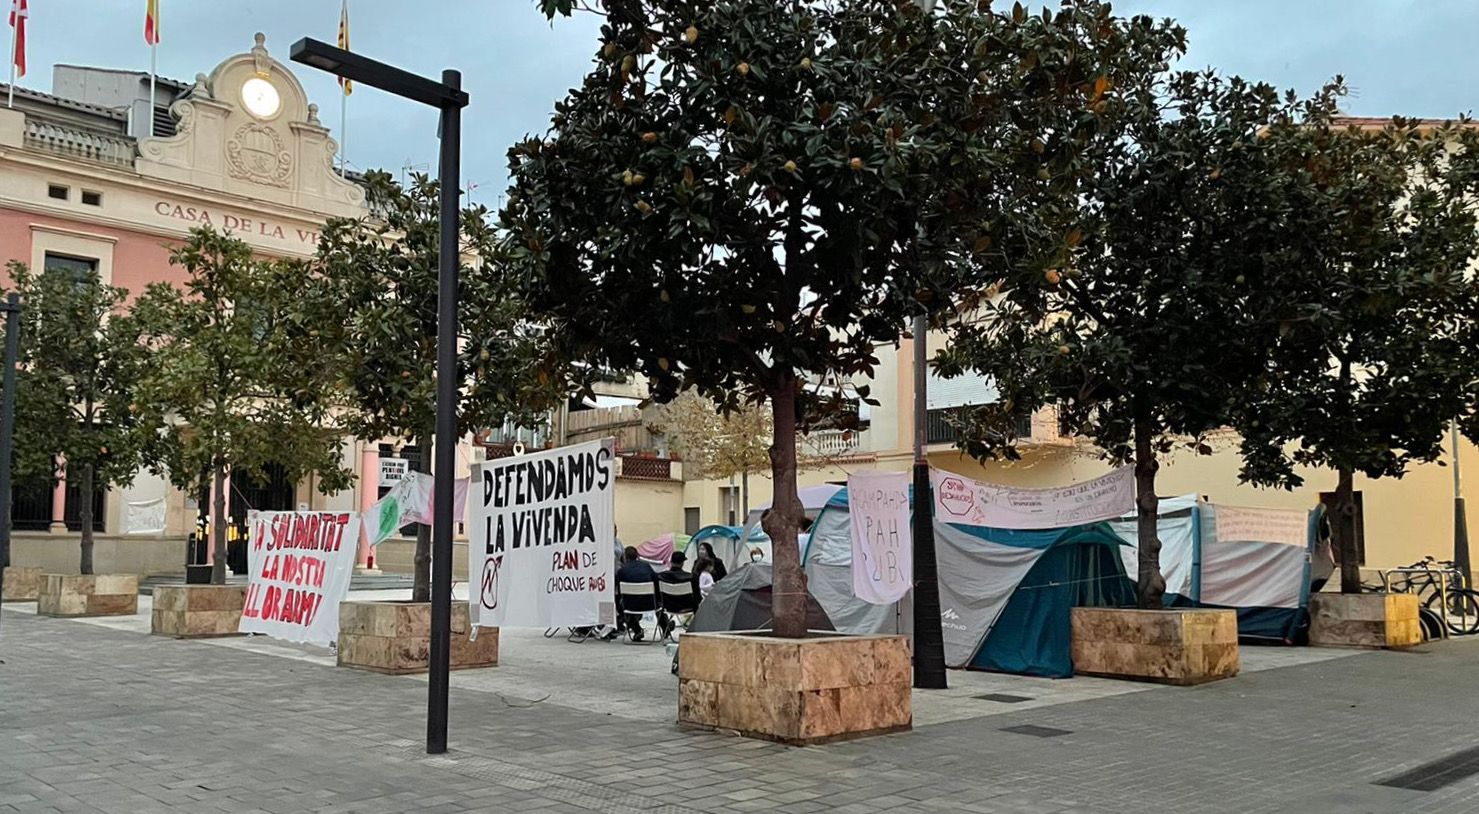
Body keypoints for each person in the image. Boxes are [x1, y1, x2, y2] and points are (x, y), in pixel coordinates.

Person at [615, 546, 660, 641]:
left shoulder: (621, 571)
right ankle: (665, 627)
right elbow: (656, 582)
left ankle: (637, 629)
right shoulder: (646, 566)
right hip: (650, 603)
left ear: (625, 557)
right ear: (637, 556)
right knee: (659, 604)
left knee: (620, 604)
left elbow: (619, 591)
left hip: (630, 605)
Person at [656, 551, 697, 639]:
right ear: (682, 563)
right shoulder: (690, 577)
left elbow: (657, 595)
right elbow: (697, 596)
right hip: (687, 606)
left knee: (657, 604)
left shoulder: (661, 576)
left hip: (667, 606)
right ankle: (696, 629)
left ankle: (665, 627)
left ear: (671, 562)